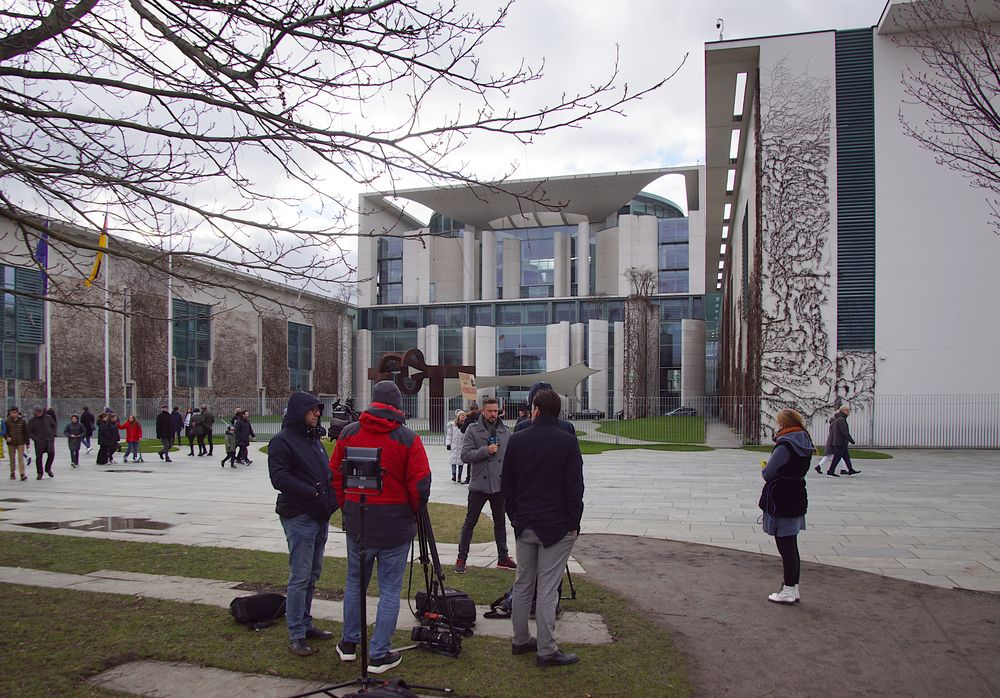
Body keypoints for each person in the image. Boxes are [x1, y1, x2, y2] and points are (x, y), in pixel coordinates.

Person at [330, 381, 431, 675]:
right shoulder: (408, 438)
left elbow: (335, 474)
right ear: (398, 405)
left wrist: (347, 505)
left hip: (359, 522)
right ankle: (377, 653)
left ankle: (349, 643)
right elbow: (420, 484)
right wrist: (412, 512)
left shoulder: (349, 433)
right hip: (395, 525)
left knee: (355, 583)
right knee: (389, 589)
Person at [502, 388, 585, 667]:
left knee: (523, 584)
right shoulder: (567, 442)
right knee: (547, 589)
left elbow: (507, 486)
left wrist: (515, 516)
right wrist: (573, 523)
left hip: (526, 523)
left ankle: (520, 639)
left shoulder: (518, 440)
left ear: (535, 409)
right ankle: (546, 649)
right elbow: (575, 488)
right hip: (555, 526)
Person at [268, 392, 338, 657]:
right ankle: (296, 632)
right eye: (312, 410)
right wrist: (313, 493)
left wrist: (330, 497)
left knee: (312, 574)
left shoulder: (314, 441)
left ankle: (305, 623)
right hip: (299, 516)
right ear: (299, 412)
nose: (317, 414)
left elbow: (325, 472)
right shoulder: (282, 442)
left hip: (319, 516)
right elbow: (279, 478)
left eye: (318, 410)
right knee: (300, 576)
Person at [759, 408, 814, 604]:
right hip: (796, 491)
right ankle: (792, 587)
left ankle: (789, 589)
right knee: (791, 544)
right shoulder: (805, 442)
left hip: (782, 496)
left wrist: (766, 468)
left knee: (786, 545)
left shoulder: (786, 445)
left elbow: (768, 474)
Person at [457, 397, 517, 573]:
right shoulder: (472, 430)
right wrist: (485, 451)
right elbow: (465, 456)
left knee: (500, 523)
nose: (493, 414)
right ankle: (461, 558)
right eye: (489, 411)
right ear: (483, 411)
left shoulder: (505, 432)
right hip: (479, 486)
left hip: (499, 486)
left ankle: (503, 557)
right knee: (470, 523)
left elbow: (510, 458)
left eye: (495, 411)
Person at [826, 405, 860, 477]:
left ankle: (851, 470)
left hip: (841, 443)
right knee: (836, 458)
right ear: (843, 411)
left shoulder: (840, 419)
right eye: (847, 410)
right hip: (840, 443)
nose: (848, 412)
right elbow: (844, 432)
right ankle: (830, 471)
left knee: (846, 457)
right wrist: (851, 440)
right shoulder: (841, 419)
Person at [27, 406, 57, 479]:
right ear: (35, 412)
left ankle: (48, 468)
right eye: (38, 412)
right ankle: (40, 473)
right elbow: (29, 432)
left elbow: (54, 426)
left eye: (40, 411)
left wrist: (52, 434)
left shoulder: (48, 417)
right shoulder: (32, 421)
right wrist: (35, 438)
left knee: (51, 455)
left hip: (49, 440)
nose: (39, 413)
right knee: (39, 458)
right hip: (39, 442)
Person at [5, 407, 30, 481]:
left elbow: (26, 432)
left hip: (20, 442)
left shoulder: (22, 421)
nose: (13, 414)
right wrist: (7, 437)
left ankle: (22, 474)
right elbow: (4, 431)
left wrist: (27, 443)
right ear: (10, 413)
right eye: (12, 412)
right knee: (12, 458)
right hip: (11, 443)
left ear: (18, 413)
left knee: (20, 458)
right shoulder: (7, 421)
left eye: (15, 412)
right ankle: (12, 473)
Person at [446, 410, 466, 482]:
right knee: (453, 461)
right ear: (458, 416)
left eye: (464, 415)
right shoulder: (453, 425)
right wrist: (448, 444)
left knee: (461, 462)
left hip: (461, 445)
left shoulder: (465, 426)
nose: (463, 417)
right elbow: (449, 435)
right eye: (461, 415)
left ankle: (459, 476)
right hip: (454, 445)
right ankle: (453, 475)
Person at [815, 411, 836, 475]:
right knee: (837, 456)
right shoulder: (834, 425)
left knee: (830, 456)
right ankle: (843, 469)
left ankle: (819, 466)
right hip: (832, 443)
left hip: (831, 442)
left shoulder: (832, 425)